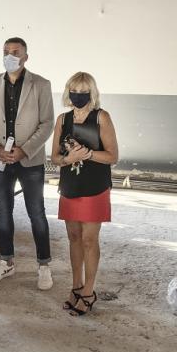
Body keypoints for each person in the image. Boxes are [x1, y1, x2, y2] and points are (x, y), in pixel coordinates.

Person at [0, 37, 54, 290]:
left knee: (36, 213)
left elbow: (47, 124)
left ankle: (43, 265)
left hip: (29, 160)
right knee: (2, 212)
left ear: (25, 57)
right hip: (0, 158)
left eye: (15, 52)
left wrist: (25, 150)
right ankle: (6, 261)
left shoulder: (41, 84)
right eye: (5, 52)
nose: (10, 56)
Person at [50, 72, 119, 316]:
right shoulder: (62, 119)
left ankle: (89, 291)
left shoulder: (102, 117)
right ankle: (76, 285)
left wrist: (88, 154)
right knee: (74, 237)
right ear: (68, 92)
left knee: (90, 239)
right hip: (70, 186)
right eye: (74, 91)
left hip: (95, 186)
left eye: (83, 92)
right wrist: (69, 158)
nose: (78, 96)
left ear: (92, 93)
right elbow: (55, 158)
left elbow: (112, 156)